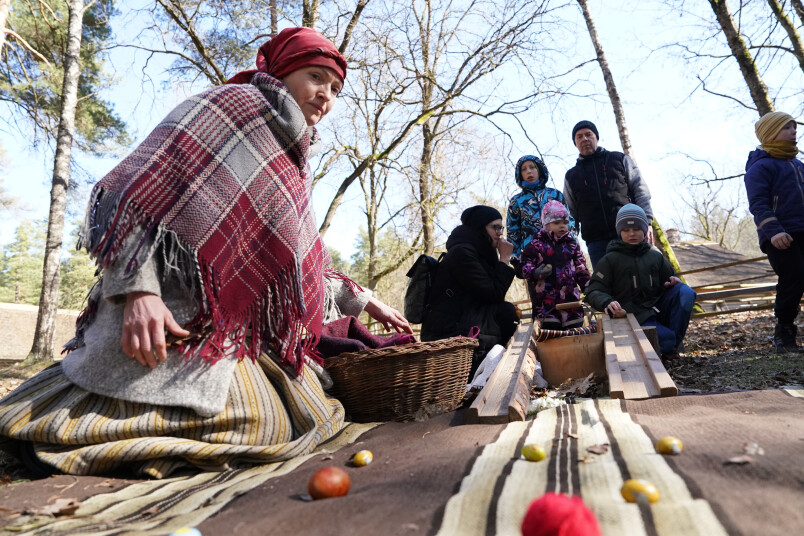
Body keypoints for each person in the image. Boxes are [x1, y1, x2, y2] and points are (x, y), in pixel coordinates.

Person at [0, 27, 411, 479]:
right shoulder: (228, 107)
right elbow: (130, 197)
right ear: (282, 71)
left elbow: (296, 261)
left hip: (229, 332)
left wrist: (363, 298)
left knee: (300, 415)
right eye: (316, 77)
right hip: (168, 314)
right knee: (257, 425)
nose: (326, 96)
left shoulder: (294, 152)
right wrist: (138, 294)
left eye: (335, 89)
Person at [584, 204, 696, 360]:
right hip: (633, 316)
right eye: (626, 230)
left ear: (644, 230)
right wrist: (606, 302)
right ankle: (669, 344)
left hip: (656, 310)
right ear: (619, 232)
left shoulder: (655, 256)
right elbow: (593, 291)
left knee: (686, 292)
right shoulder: (609, 260)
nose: (631, 234)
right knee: (665, 340)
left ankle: (672, 345)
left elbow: (670, 278)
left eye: (636, 229)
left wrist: (672, 281)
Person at [420, 205, 520, 376]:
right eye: (495, 227)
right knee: (505, 312)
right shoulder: (462, 254)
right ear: (480, 228)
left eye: (501, 227)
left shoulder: (479, 252)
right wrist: (504, 260)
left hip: (468, 322)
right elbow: (494, 293)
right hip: (452, 333)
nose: (500, 233)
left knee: (507, 312)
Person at [744, 111, 804, 352]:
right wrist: (774, 231)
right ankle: (785, 332)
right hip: (780, 235)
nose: (794, 131)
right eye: (786, 128)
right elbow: (758, 203)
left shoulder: (799, 165)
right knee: (794, 277)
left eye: (794, 127)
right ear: (770, 134)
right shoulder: (760, 167)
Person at [563, 120, 653, 268]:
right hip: (596, 243)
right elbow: (569, 212)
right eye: (579, 136)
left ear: (596, 137)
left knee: (641, 279)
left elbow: (640, 190)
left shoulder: (619, 159)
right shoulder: (571, 176)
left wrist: (647, 221)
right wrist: (571, 241)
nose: (584, 139)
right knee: (607, 287)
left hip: (630, 233)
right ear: (575, 143)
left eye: (588, 134)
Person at [520, 200, 590, 330]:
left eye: (565, 223)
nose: (562, 226)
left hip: (570, 302)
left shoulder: (572, 244)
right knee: (549, 335)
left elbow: (581, 269)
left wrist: (588, 288)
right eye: (556, 223)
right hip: (546, 303)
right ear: (546, 225)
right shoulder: (536, 245)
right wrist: (534, 272)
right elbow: (524, 264)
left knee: (575, 333)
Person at [506, 155, 575, 264]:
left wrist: (572, 245)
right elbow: (513, 232)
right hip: (532, 256)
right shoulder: (516, 201)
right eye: (524, 169)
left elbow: (569, 221)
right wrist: (517, 259)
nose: (529, 171)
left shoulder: (555, 194)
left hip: (560, 251)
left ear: (540, 169)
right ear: (520, 174)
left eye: (532, 167)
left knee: (565, 279)